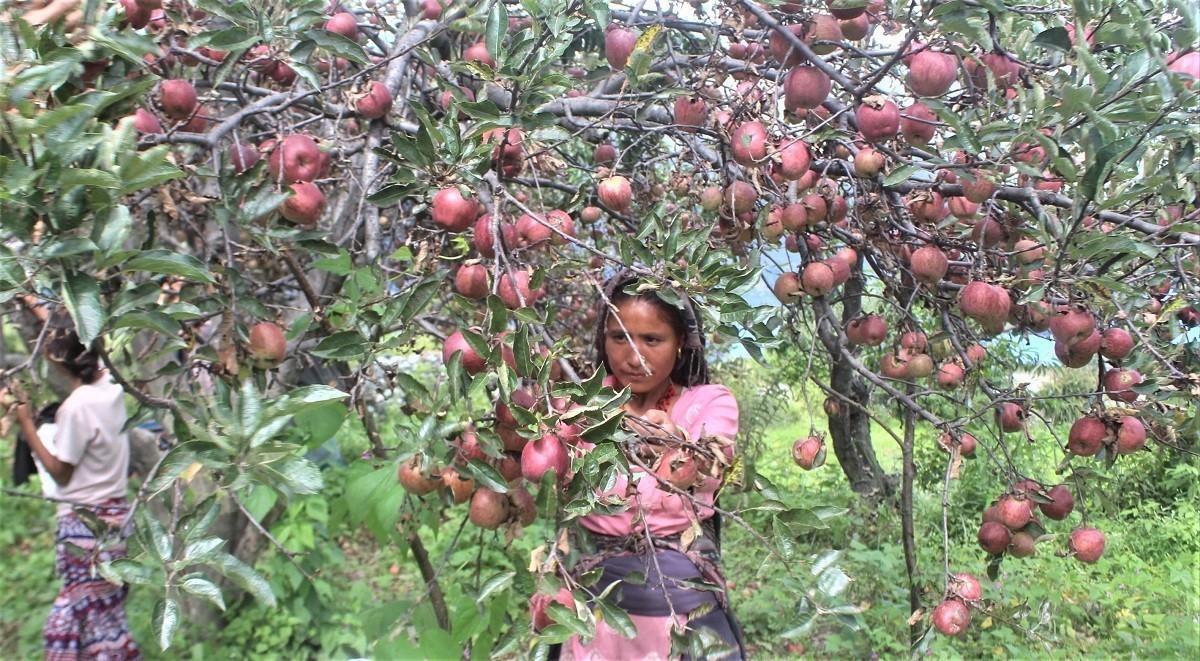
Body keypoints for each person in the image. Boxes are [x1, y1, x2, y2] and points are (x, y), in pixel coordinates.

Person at [565, 271, 744, 660]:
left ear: (681, 343)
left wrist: (676, 437)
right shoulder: (581, 409)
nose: (633, 357)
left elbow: (711, 461)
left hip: (678, 605)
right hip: (595, 604)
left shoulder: (710, 404)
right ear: (604, 339)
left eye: (652, 339)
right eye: (619, 338)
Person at [10, 316, 141, 660]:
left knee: (89, 627)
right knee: (98, 620)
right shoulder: (110, 386)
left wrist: (26, 424)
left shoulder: (76, 407)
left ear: (54, 357)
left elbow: (61, 472)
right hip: (117, 520)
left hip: (86, 526)